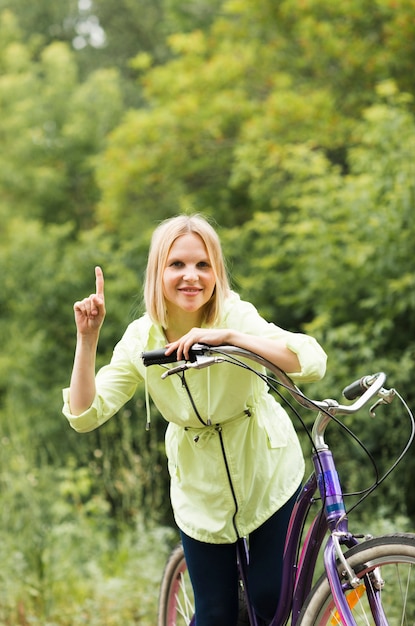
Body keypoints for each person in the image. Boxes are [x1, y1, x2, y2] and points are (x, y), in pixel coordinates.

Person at [63, 214, 327, 626]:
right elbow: (84, 415)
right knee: (215, 614)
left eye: (203, 265)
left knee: (270, 600)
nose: (192, 276)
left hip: (267, 475)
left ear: (217, 271)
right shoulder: (141, 338)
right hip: (200, 490)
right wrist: (87, 337)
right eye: (177, 265)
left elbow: (311, 360)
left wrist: (230, 339)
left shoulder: (236, 316)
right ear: (158, 272)